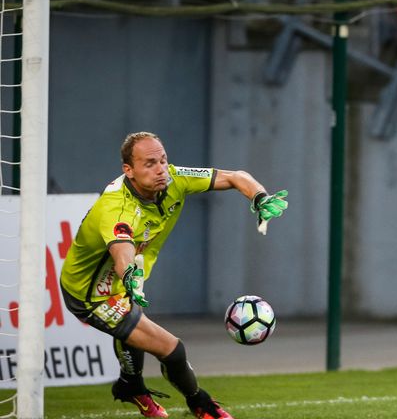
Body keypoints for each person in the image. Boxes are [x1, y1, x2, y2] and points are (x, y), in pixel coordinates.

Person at [60, 132, 288, 419]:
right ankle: (200, 403)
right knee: (171, 348)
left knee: (133, 326)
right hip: (89, 293)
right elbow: (122, 251)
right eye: (150, 163)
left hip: (121, 282)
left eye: (163, 160)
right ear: (128, 170)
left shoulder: (174, 178)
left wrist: (260, 197)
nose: (160, 169)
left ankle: (131, 386)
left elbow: (235, 177)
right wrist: (129, 275)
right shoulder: (116, 207)